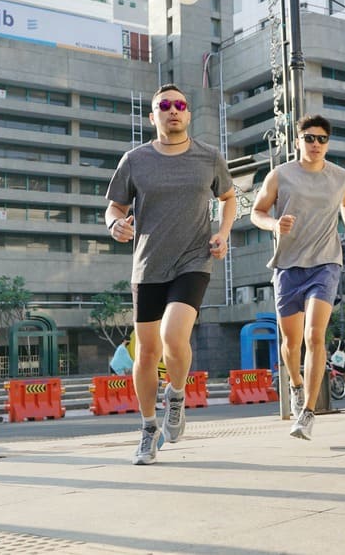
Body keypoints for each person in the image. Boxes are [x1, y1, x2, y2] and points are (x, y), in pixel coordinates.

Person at [106, 83, 236, 465]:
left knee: (172, 336)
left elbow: (228, 198)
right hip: (147, 265)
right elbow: (113, 207)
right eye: (165, 105)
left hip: (193, 260)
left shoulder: (209, 157)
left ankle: (176, 395)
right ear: (153, 116)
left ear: (189, 114)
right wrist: (115, 225)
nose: (173, 110)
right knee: (146, 353)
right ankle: (148, 429)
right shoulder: (135, 160)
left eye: (180, 104)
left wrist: (223, 233)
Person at [250, 115, 345, 440]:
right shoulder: (280, 175)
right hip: (287, 266)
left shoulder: (340, 177)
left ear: (328, 143)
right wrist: (274, 225)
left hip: (326, 263)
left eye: (322, 139)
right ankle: (296, 384)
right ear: (297, 141)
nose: (315, 144)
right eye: (309, 138)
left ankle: (309, 411)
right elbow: (257, 212)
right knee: (290, 343)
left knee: (315, 336)